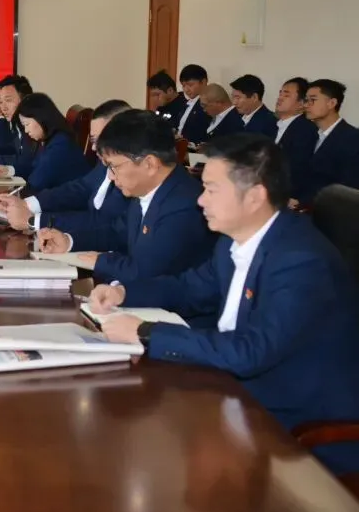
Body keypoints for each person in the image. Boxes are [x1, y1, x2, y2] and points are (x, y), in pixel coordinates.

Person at [89, 133, 359, 475]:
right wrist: (124, 293)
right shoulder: (236, 239)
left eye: (211, 190)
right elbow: (190, 287)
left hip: (297, 418)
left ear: (255, 197)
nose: (200, 200)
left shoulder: (300, 259)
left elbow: (251, 351)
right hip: (238, 387)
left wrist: (146, 332)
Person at [37, 110, 212, 283]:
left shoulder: (184, 206)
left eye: (114, 166)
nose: (111, 177)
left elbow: (147, 272)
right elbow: (116, 232)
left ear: (149, 164)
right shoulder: (146, 189)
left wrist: (101, 261)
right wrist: (68, 241)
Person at [0, 99, 131, 232]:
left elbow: (105, 223)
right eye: (93, 140)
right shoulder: (104, 164)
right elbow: (80, 188)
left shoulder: (61, 144)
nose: (94, 148)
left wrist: (34, 221)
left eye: (101, 140)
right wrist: (28, 204)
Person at [0, 92, 89, 191]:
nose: (26, 130)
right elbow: (34, 167)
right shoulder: (51, 139)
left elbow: (35, 183)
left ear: (41, 118)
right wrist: (8, 171)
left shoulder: (59, 145)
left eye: (27, 124)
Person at [300, 78, 359, 204]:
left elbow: (348, 189)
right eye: (306, 100)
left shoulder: (353, 138)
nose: (306, 105)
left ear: (332, 103)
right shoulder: (310, 134)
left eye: (313, 100)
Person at [0, 74, 36, 175]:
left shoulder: (34, 126)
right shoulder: (18, 123)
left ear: (25, 100)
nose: (2, 107)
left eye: (8, 100)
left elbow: (26, 162)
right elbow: (13, 148)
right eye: (0, 101)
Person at [273, 77, 318, 201]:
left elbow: (297, 170)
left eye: (286, 95)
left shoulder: (305, 130)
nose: (280, 98)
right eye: (280, 93)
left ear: (301, 103)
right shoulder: (275, 125)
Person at [177, 64, 211, 143]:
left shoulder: (209, 103)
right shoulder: (186, 103)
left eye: (190, 85)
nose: (186, 89)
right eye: (183, 85)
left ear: (203, 82)